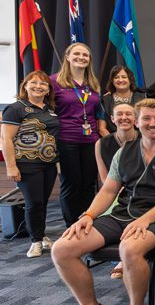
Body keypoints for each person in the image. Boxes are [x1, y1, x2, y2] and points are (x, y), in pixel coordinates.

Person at [50, 99, 155, 305]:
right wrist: (88, 215)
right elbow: (108, 190)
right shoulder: (123, 151)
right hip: (121, 215)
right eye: (146, 118)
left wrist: (145, 220)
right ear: (137, 122)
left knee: (129, 248)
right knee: (61, 249)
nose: (152, 123)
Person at [1, 71, 59, 259]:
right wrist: (11, 166)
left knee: (42, 202)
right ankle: (35, 242)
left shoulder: (49, 109)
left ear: (48, 89)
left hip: (48, 164)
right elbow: (6, 139)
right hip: (26, 164)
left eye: (43, 84)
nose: (38, 86)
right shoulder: (15, 108)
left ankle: (41, 235)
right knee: (33, 203)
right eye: (33, 83)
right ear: (25, 86)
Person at [51, 42, 106, 226]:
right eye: (77, 54)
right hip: (67, 140)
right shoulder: (54, 82)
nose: (81, 57)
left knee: (89, 184)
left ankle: (86, 222)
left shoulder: (93, 84)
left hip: (91, 140)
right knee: (71, 184)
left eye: (85, 55)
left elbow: (98, 113)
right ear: (67, 56)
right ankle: (71, 226)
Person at [96, 102, 140, 281]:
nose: (124, 118)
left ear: (135, 119)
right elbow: (105, 180)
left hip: (140, 192)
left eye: (128, 114)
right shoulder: (101, 144)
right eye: (119, 114)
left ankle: (123, 258)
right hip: (115, 192)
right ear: (112, 119)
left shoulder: (146, 139)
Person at [98, 66, 145, 135]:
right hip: (113, 142)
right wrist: (115, 143)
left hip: (139, 142)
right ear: (112, 81)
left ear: (130, 79)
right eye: (116, 77)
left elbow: (147, 124)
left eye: (124, 77)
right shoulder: (105, 100)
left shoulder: (142, 98)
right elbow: (102, 129)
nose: (120, 80)